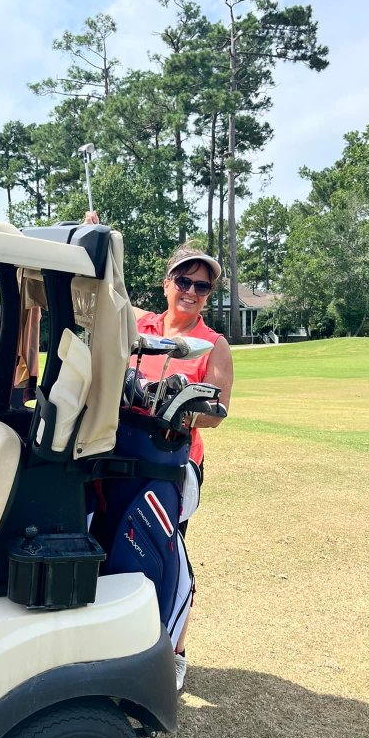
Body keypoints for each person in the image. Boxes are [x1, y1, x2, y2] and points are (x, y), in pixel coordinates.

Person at [84, 211, 234, 689]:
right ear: (167, 283)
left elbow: (216, 412)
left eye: (202, 286)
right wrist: (100, 242)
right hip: (122, 453)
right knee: (111, 537)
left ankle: (175, 649)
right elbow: (104, 299)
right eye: (184, 281)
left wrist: (172, 405)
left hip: (174, 463)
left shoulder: (212, 344)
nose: (192, 291)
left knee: (167, 551)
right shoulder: (142, 324)